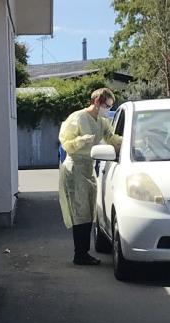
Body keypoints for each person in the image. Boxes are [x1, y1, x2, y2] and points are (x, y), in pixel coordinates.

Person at [57, 88, 123, 265]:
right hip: (74, 169)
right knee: (80, 213)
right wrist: (80, 141)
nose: (108, 109)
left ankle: (83, 253)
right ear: (97, 102)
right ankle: (80, 254)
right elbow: (66, 144)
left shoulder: (102, 121)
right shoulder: (77, 118)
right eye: (106, 105)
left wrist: (132, 143)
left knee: (88, 213)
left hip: (88, 168)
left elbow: (111, 138)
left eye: (110, 106)